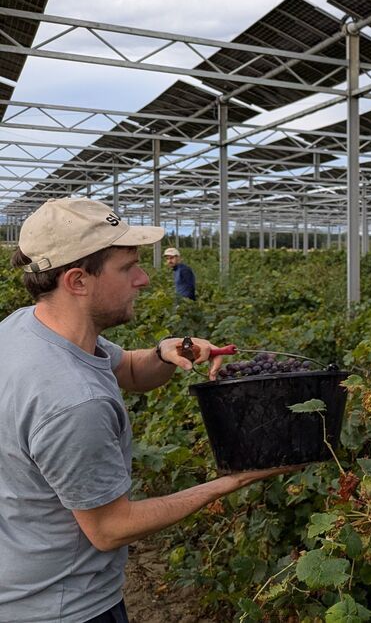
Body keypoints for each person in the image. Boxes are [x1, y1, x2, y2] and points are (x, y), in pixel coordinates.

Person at [0, 198, 294, 623]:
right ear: (78, 281)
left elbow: (131, 371)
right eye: (128, 267)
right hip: (65, 608)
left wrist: (164, 351)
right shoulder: (71, 401)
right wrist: (231, 482)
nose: (144, 279)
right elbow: (109, 528)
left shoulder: (27, 327)